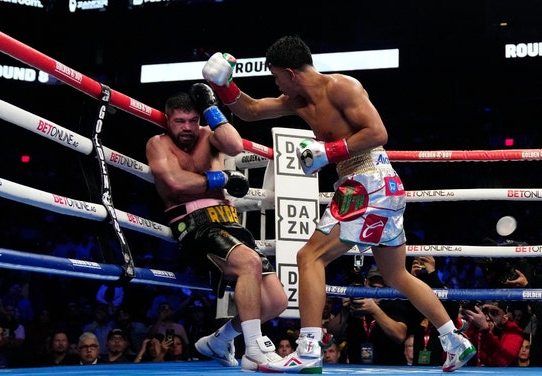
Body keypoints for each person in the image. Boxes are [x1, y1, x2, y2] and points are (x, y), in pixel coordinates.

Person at [201, 34, 476, 372]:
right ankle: (454, 339)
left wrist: (327, 152)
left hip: (368, 180)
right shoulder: (297, 100)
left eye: (276, 77)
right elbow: (252, 110)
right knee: (395, 275)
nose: (277, 85)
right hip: (374, 186)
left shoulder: (343, 87)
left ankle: (309, 349)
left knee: (309, 256)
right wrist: (224, 84)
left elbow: (378, 132)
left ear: (290, 72)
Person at [145, 84, 288, 371]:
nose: (187, 127)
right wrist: (220, 180)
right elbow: (175, 182)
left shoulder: (208, 136)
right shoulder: (158, 143)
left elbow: (235, 146)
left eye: (192, 120)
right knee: (248, 262)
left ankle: (220, 340)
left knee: (276, 302)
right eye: (179, 121)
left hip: (229, 222)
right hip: (195, 226)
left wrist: (211, 107)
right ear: (167, 119)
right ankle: (254, 351)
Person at [461, 301, 523, 367]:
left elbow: (504, 363)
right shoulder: (475, 327)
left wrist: (485, 331)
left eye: (494, 313)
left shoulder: (513, 331)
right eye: (484, 312)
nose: (487, 318)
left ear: (505, 317)